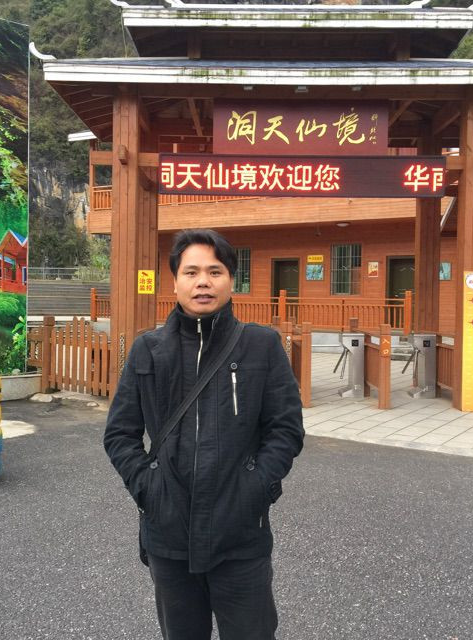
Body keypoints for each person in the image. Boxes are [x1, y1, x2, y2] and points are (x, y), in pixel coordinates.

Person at [103, 229, 304, 640]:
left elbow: (285, 428)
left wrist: (257, 486)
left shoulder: (261, 346)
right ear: (175, 281)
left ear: (231, 280)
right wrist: (148, 488)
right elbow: (120, 433)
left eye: (215, 272)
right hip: (169, 534)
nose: (203, 282)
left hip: (240, 533)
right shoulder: (148, 350)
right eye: (191, 272)